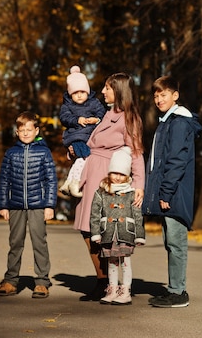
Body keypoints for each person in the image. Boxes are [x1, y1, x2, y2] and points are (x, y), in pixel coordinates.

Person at [73, 72, 145, 300]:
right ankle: (103, 280)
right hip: (91, 171)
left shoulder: (128, 117)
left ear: (119, 90)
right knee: (88, 229)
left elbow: (135, 152)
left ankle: (106, 282)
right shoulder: (107, 114)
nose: (102, 91)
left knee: (98, 228)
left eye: (107, 88)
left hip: (106, 176)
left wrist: (139, 184)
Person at [142, 75, 202, 308]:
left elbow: (176, 161)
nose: (158, 99)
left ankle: (179, 292)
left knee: (176, 242)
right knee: (170, 241)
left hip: (174, 193)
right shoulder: (167, 121)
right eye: (155, 95)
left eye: (163, 94)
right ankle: (174, 288)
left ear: (175, 95)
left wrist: (165, 193)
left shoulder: (178, 122)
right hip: (170, 192)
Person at [0, 111, 58, 299]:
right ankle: (11, 280)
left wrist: (49, 205)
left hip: (38, 205)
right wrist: (3, 205)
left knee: (39, 242)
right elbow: (4, 180)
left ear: (36, 130)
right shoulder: (11, 153)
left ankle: (42, 282)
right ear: (17, 132)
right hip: (15, 205)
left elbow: (51, 180)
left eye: (30, 130)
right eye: (22, 130)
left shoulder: (44, 152)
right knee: (15, 243)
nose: (26, 133)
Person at [90, 146, 145, 305]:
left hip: (125, 233)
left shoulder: (131, 192)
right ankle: (112, 289)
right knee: (111, 262)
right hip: (108, 232)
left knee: (125, 262)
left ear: (127, 175)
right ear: (109, 172)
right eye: (115, 173)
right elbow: (95, 214)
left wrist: (139, 235)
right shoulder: (101, 192)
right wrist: (96, 233)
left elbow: (137, 215)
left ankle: (126, 290)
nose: (118, 177)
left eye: (122, 174)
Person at [59, 65, 106, 198]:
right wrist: (76, 120)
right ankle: (75, 182)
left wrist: (96, 120)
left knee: (81, 159)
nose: (79, 96)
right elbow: (64, 117)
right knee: (84, 156)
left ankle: (69, 180)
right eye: (75, 93)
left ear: (88, 92)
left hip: (89, 136)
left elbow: (102, 113)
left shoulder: (94, 102)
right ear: (70, 94)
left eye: (82, 92)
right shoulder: (67, 105)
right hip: (75, 136)